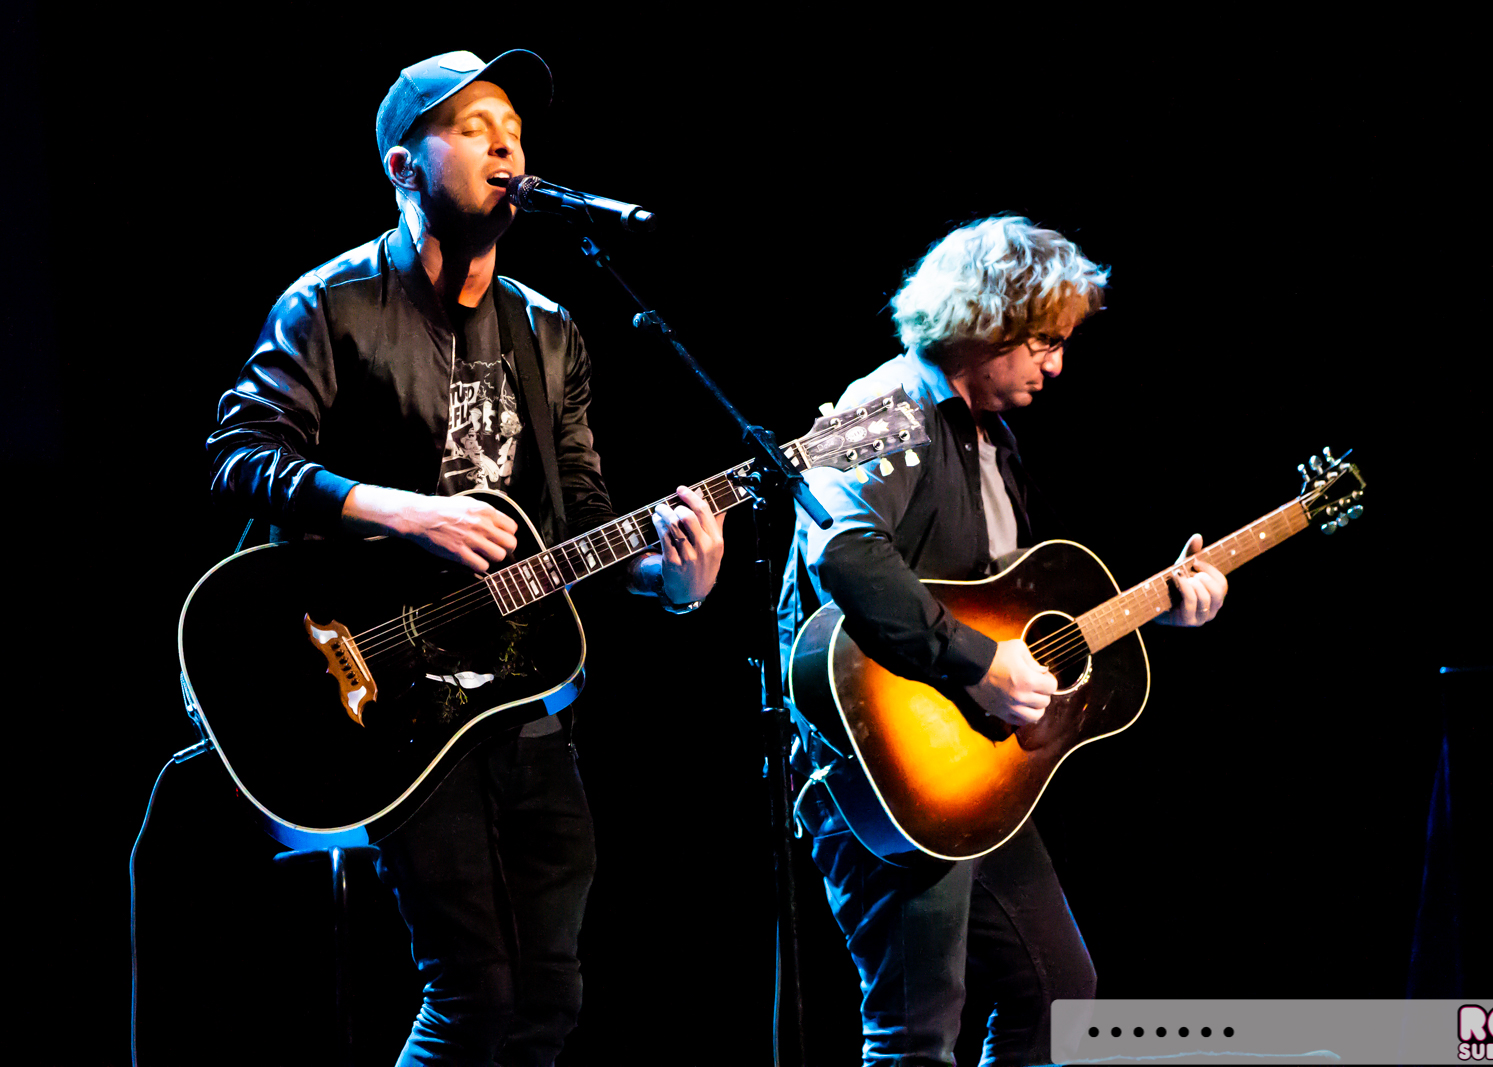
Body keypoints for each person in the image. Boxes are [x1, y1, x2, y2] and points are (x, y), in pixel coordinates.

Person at [207, 49, 724, 1066]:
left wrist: (671, 580)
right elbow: (239, 455)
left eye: (515, 131)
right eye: (475, 126)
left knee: (550, 997)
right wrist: (402, 511)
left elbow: (584, 518)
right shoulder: (332, 304)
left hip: (518, 693)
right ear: (403, 166)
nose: (507, 147)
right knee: (474, 992)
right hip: (387, 690)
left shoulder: (550, 329)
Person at [778, 216, 1228, 1066]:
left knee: (1056, 996)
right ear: (986, 318)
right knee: (917, 1035)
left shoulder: (995, 438)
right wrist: (980, 664)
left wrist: (1160, 606)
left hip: (971, 776)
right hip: (885, 774)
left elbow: (1012, 611)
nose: (1056, 366)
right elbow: (841, 550)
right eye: (1044, 341)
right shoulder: (881, 406)